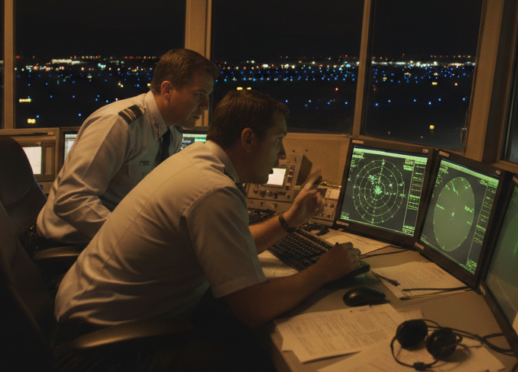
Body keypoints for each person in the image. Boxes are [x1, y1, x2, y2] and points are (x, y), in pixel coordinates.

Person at [53, 90, 360, 371]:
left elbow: (231, 249)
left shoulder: (196, 161)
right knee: (252, 353)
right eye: (278, 139)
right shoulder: (213, 191)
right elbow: (254, 308)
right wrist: (323, 271)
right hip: (99, 352)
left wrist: (289, 220)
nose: (281, 155)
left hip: (92, 322)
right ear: (248, 139)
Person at [37, 48, 218, 245]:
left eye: (207, 95)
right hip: (75, 242)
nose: (205, 105)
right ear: (167, 90)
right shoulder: (118, 125)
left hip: (114, 236)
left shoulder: (172, 131)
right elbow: (71, 198)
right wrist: (132, 240)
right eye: (198, 95)